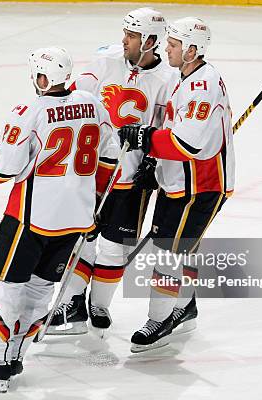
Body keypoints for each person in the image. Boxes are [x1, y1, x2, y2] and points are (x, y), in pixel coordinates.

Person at [0, 47, 120, 393]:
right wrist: (95, 201)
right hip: (75, 222)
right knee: (39, 293)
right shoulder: (93, 103)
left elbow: (3, 170)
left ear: (42, 78)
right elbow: (110, 156)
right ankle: (14, 357)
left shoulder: (29, 110)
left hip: (29, 222)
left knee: (6, 289)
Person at [47, 7, 180, 336]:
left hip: (132, 177)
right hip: (93, 170)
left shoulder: (168, 80)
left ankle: (99, 304)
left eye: (132, 36)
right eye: (126, 33)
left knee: (113, 246)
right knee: (82, 238)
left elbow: (169, 129)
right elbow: (76, 99)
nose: (125, 40)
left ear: (150, 41)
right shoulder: (105, 62)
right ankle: (74, 304)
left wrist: (156, 163)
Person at [117, 17, 235, 353]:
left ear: (192, 50)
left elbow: (189, 144)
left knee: (167, 253)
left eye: (173, 45)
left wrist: (146, 139)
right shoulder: (185, 77)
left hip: (201, 186)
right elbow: (176, 129)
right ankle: (185, 306)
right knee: (181, 248)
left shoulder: (203, 86)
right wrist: (155, 162)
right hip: (180, 181)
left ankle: (160, 319)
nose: (166, 49)